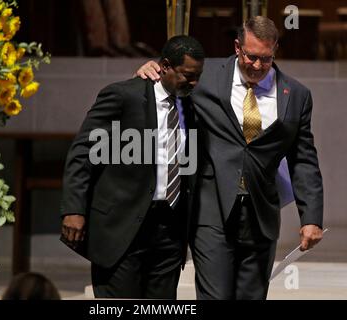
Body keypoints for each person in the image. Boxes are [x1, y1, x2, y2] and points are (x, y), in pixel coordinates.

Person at [136, 16, 324, 300]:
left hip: (261, 214)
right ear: (237, 47)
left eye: (266, 58)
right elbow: (169, 86)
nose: (258, 66)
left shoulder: (296, 95)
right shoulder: (206, 75)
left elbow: (303, 158)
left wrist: (311, 217)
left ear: (275, 51)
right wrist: (151, 70)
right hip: (211, 210)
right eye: (251, 57)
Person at [60, 35, 204, 298]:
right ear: (165, 66)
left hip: (169, 230)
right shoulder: (124, 96)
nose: (193, 83)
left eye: (198, 77)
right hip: (122, 225)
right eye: (187, 75)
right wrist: (73, 209)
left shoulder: (192, 105)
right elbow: (83, 152)